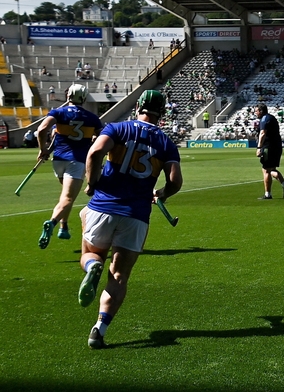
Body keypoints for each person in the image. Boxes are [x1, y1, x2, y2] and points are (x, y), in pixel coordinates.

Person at [77, 89, 182, 348]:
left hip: (104, 205)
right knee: (120, 276)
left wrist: (92, 183)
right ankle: (99, 330)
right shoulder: (166, 142)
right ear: (162, 112)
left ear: (139, 107)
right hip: (136, 215)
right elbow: (175, 181)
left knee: (90, 253)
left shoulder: (118, 128)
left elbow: (94, 154)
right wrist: (162, 193)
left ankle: (92, 267)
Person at [35, 84, 102, 249]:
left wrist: (43, 149)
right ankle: (53, 222)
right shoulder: (92, 118)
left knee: (65, 196)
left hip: (58, 161)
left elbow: (42, 129)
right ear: (84, 98)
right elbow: (102, 138)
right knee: (68, 198)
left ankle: (64, 227)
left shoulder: (58, 113)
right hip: (77, 161)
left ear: (68, 96)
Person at [255, 104, 284, 199]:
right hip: (276, 146)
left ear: (261, 111)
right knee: (272, 170)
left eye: (256, 111)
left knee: (266, 170)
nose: (255, 113)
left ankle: (268, 194)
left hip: (269, 147)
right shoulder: (271, 118)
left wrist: (259, 148)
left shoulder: (264, 119)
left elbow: (263, 133)